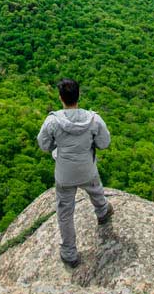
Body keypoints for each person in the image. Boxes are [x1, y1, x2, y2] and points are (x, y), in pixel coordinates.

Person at [36, 78, 113, 267]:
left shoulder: (53, 121)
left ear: (61, 98)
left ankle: (69, 253)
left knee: (65, 211)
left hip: (64, 174)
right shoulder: (93, 119)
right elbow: (104, 143)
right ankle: (102, 211)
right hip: (87, 168)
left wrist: (59, 145)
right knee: (95, 188)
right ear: (78, 96)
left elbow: (44, 145)